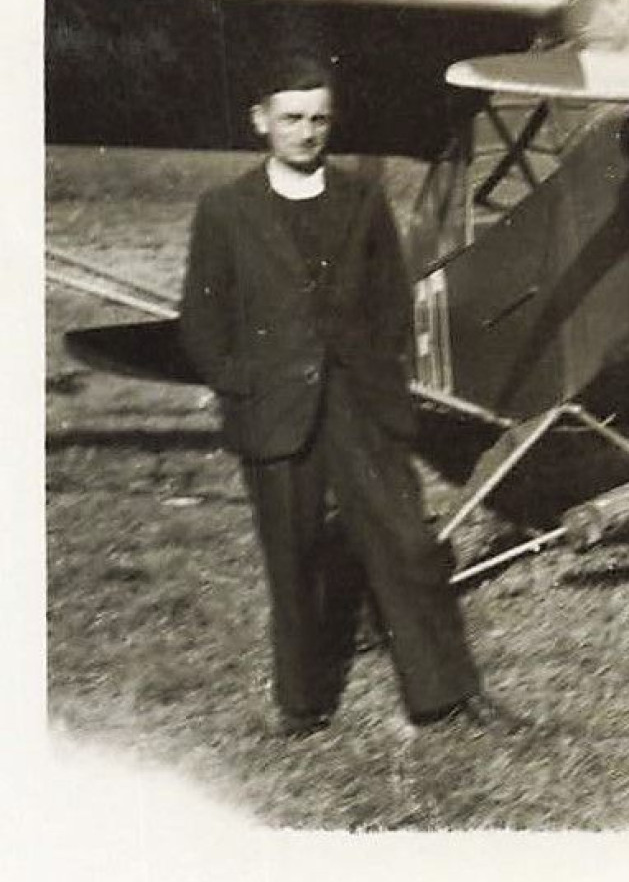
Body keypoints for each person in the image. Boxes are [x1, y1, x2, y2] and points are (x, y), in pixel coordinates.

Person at [180, 51, 518, 737]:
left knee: (408, 546)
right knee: (294, 554)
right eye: (292, 118)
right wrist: (239, 384)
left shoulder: (361, 201)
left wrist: (376, 376)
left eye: (319, 120)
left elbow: (391, 301)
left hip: (360, 404)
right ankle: (302, 705)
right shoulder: (225, 210)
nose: (306, 132)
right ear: (261, 121)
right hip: (273, 408)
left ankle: (445, 694)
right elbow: (202, 316)